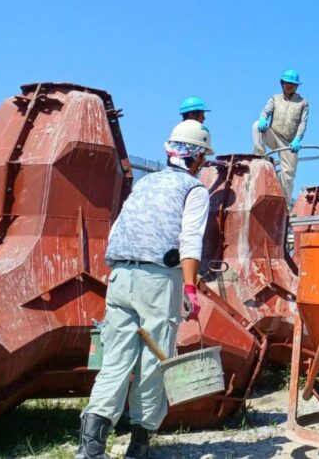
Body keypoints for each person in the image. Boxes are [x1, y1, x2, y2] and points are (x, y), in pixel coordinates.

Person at [74, 120, 213, 459]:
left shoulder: (146, 183)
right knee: (155, 361)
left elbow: (120, 227)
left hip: (120, 276)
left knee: (116, 360)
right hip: (158, 280)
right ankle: (138, 447)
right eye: (203, 159)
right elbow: (190, 241)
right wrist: (191, 289)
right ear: (195, 159)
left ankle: (90, 448)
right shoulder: (194, 190)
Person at [252, 69, 309, 205]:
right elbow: (265, 111)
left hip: (289, 143)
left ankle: (284, 205)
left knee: (288, 175)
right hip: (273, 135)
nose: (290, 86)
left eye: (293, 84)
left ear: (296, 86)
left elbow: (303, 123)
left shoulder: (303, 102)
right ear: (282, 83)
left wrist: (298, 139)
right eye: (287, 83)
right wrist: (262, 119)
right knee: (256, 126)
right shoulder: (275, 98)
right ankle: (260, 157)